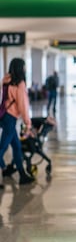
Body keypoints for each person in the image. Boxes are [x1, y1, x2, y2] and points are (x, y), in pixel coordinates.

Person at [0, 58, 35, 186]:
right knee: (2, 148)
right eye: (24, 66)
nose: (25, 69)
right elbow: (23, 105)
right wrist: (28, 123)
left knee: (16, 146)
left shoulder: (5, 80)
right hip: (10, 118)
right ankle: (5, 168)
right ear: (21, 68)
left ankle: (22, 175)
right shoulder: (19, 84)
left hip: (3, 116)